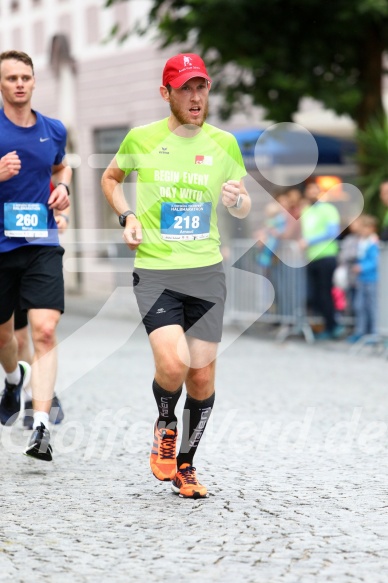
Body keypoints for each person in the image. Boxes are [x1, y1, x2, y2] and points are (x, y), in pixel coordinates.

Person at [101, 53, 250, 498]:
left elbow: (241, 207)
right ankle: (165, 422)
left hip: (206, 272)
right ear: (165, 93)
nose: (195, 96)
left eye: (201, 87)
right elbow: (111, 178)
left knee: (202, 377)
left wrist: (238, 200)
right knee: (173, 363)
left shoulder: (224, 143)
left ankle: (186, 464)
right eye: (185, 88)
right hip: (156, 270)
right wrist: (127, 215)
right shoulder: (141, 138)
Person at [0, 50, 71, 461]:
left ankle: (40, 426)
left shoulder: (53, 129)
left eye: (26, 77)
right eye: (11, 78)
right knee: (4, 336)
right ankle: (13, 379)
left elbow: (61, 168)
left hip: (41, 242)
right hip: (0, 248)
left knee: (43, 331)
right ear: (2, 85)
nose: (20, 84)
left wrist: (62, 189)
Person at [15, 205, 70, 430]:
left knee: (44, 332)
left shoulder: (42, 168)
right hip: (5, 255)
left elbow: (59, 184)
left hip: (38, 253)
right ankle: (19, 385)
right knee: (16, 340)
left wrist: (63, 216)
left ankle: (36, 399)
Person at [300, 180, 343, 340]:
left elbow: (332, 231)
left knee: (325, 293)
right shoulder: (306, 210)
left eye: (315, 190)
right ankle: (327, 325)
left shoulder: (328, 209)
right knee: (315, 295)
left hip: (326, 256)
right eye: (309, 190)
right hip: (311, 258)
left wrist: (309, 241)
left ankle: (334, 326)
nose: (312, 193)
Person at [347, 214, 380, 343]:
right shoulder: (361, 241)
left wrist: (362, 267)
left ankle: (374, 332)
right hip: (361, 279)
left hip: (372, 278)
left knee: (372, 306)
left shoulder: (374, 243)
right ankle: (361, 331)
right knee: (359, 305)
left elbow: (375, 261)